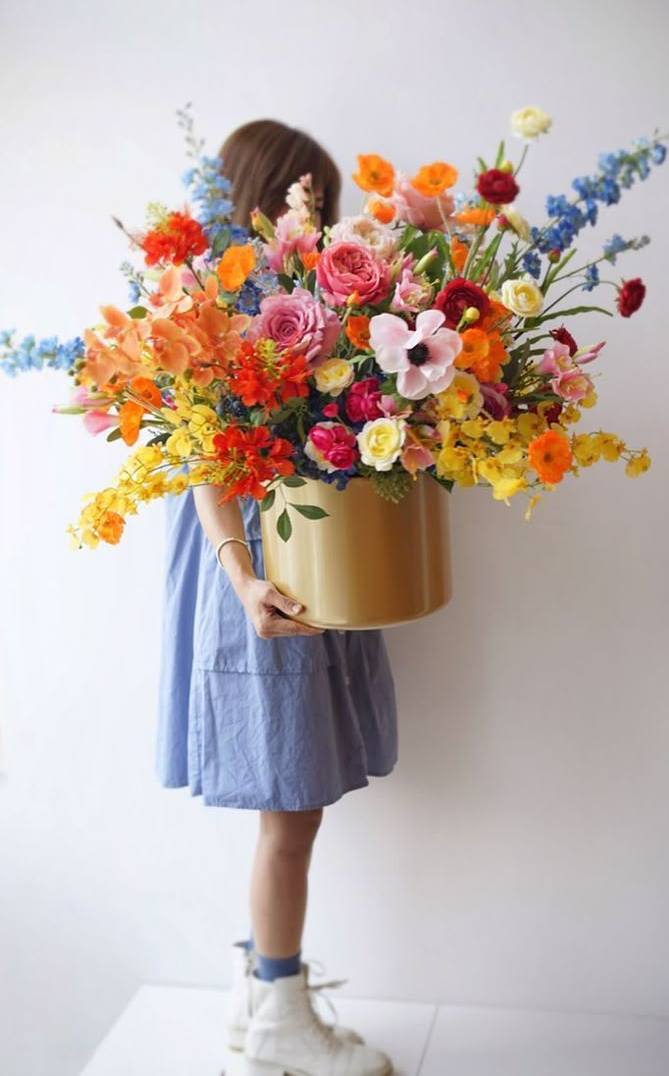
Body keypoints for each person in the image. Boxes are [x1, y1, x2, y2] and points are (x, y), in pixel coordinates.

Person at [155, 119, 398, 1076]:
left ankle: (257, 996)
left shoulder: (277, 299)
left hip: (283, 553)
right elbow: (202, 459)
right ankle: (280, 1025)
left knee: (291, 800)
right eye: (308, 200)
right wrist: (243, 571)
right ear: (263, 198)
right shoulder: (209, 307)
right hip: (255, 564)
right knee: (290, 807)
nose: (318, 220)